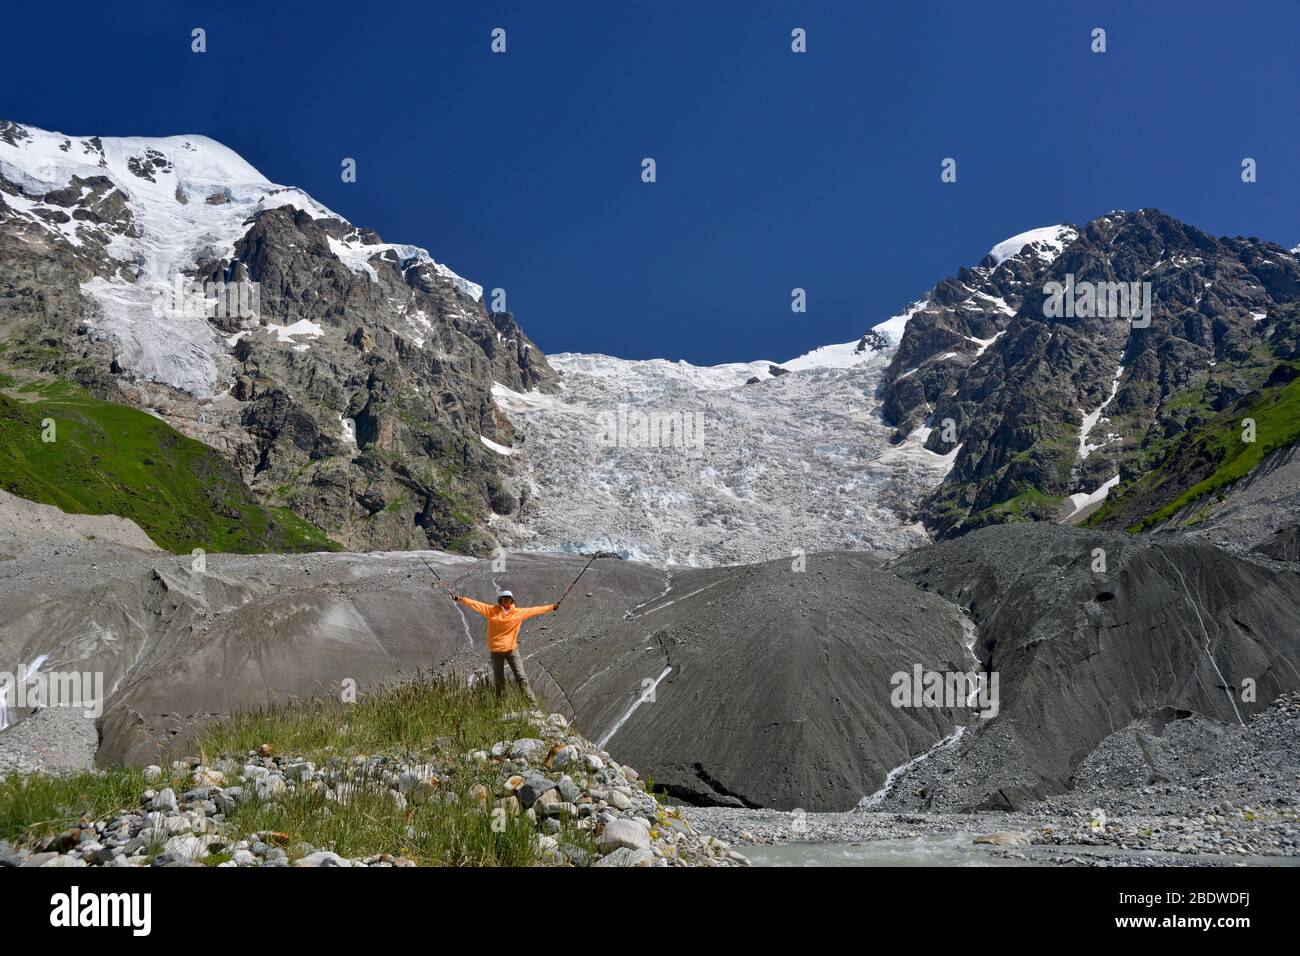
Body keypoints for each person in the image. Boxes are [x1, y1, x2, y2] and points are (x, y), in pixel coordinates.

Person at [452, 589, 558, 703]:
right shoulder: (492, 611)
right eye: (504, 598)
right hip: (496, 651)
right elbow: (476, 604)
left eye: (508, 598)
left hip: (512, 650)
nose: (506, 600)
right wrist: (461, 599)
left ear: (512, 600)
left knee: (521, 678)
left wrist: (551, 607)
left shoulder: (518, 612)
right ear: (500, 600)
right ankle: (500, 705)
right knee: (499, 681)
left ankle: (532, 704)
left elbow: (535, 610)